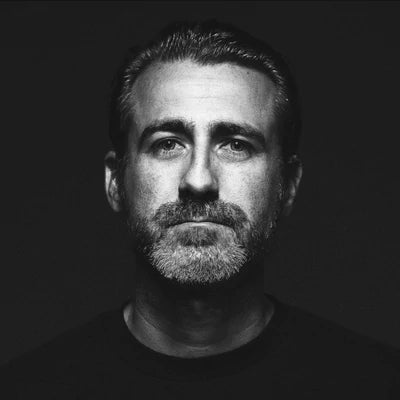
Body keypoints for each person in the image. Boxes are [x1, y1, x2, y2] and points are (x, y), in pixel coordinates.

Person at [1, 20, 399, 399]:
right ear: (115, 181)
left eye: (237, 145)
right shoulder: (24, 391)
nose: (198, 179)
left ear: (288, 185)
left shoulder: (378, 385)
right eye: (167, 144)